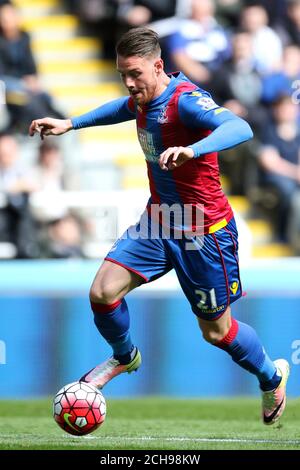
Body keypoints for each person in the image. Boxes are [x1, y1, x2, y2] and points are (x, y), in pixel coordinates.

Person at [29, 27, 289, 425]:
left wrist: (193, 149)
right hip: (161, 219)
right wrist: (72, 123)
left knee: (217, 332)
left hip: (204, 230)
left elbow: (240, 127)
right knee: (102, 292)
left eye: (135, 74)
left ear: (159, 66)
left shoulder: (186, 102)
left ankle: (272, 377)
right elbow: (124, 108)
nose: (130, 83)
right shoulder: (141, 98)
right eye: (122, 75)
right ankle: (124, 356)